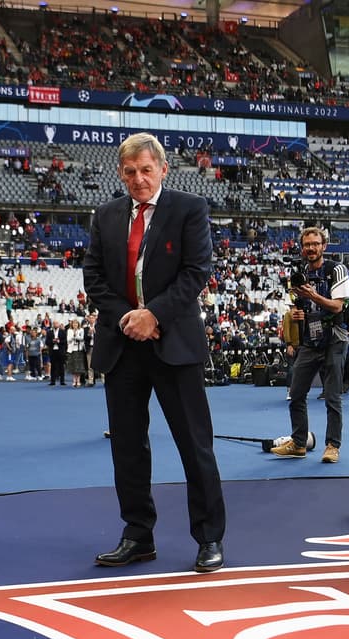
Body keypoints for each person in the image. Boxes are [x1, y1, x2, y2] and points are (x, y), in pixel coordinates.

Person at [82, 132, 226, 573]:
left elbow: (196, 271)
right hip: (122, 345)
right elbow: (94, 276)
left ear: (163, 169)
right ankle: (138, 535)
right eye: (130, 171)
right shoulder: (105, 215)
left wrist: (154, 316)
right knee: (127, 447)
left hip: (174, 345)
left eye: (147, 170)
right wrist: (130, 316)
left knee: (194, 444)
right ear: (120, 173)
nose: (139, 179)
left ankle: (208, 538)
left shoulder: (189, 209)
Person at [271, 227, 349, 462]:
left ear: (324, 246)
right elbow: (299, 305)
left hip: (335, 339)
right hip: (310, 340)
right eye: (307, 244)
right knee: (296, 393)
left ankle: (332, 446)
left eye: (315, 244)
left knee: (332, 396)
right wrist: (297, 314)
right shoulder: (299, 273)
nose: (311, 248)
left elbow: (337, 306)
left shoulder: (337, 270)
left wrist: (313, 296)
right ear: (302, 247)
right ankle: (298, 442)